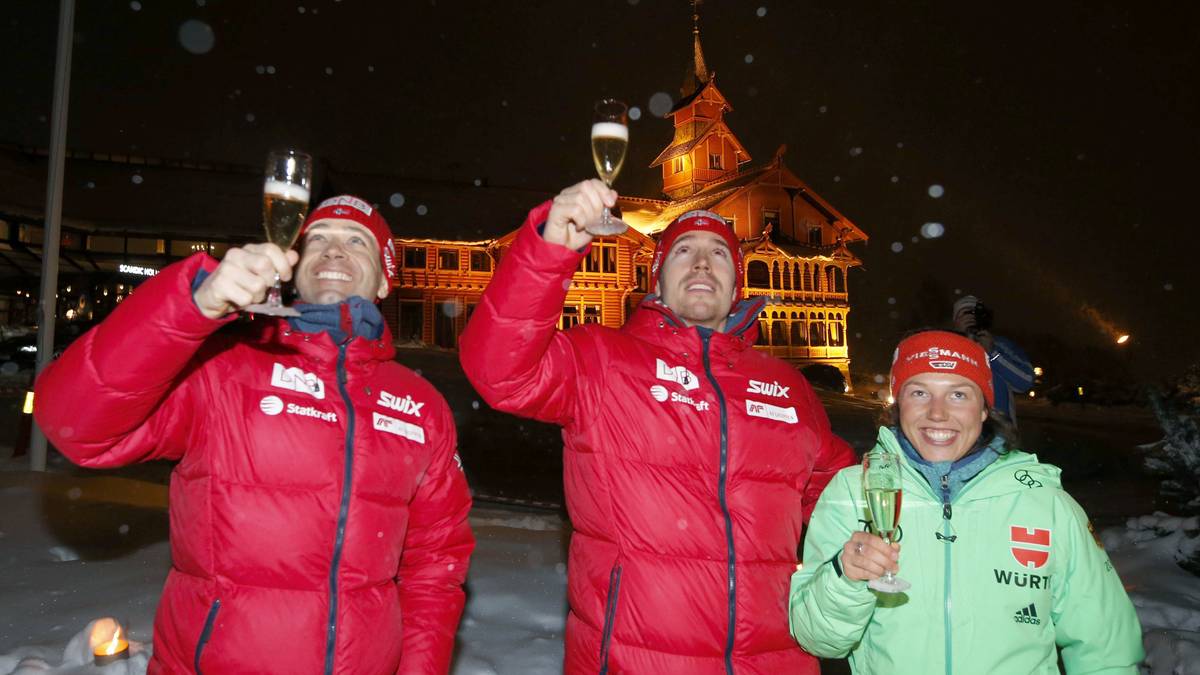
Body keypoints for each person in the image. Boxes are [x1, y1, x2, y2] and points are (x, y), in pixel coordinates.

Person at [34, 195, 474, 674]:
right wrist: (191, 305)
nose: (333, 251)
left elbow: (435, 565)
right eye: (318, 240)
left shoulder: (420, 405)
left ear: (386, 279)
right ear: (292, 266)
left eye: (356, 242)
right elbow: (75, 424)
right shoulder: (222, 367)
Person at [459, 179, 854, 674]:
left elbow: (845, 501)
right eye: (683, 251)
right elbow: (498, 369)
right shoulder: (603, 361)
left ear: (738, 286)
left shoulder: (787, 387)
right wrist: (546, 251)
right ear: (656, 278)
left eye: (719, 254)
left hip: (774, 660)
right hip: (637, 659)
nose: (703, 263)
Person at [788, 330, 1143, 673]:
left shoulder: (1047, 504)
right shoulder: (851, 494)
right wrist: (845, 579)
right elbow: (817, 639)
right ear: (898, 404)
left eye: (959, 395)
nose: (938, 413)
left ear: (984, 410)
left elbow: (1106, 647)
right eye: (919, 393)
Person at [953, 294, 1034, 425]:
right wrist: (963, 341)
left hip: (1000, 434)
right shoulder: (945, 347)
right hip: (958, 431)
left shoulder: (1001, 345)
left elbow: (1025, 382)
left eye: (974, 313)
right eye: (965, 313)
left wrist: (993, 354)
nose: (971, 317)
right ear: (955, 320)